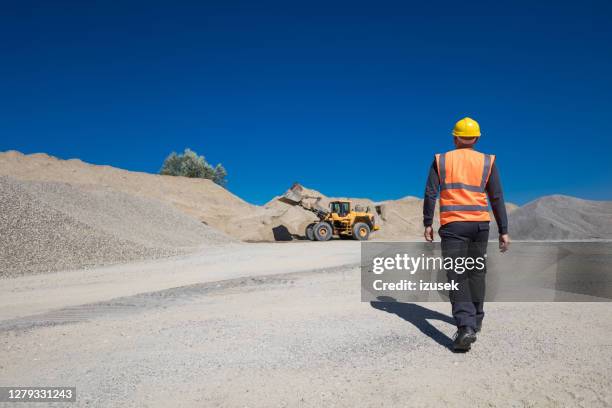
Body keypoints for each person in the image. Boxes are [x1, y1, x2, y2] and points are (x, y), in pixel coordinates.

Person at [423, 117, 510, 351]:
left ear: (454, 137)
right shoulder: (487, 161)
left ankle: (465, 327)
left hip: (454, 226)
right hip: (480, 225)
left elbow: (431, 193)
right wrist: (504, 230)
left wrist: (427, 223)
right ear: (477, 138)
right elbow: (497, 197)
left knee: (458, 275)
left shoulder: (441, 160)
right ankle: (476, 319)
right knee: (476, 273)